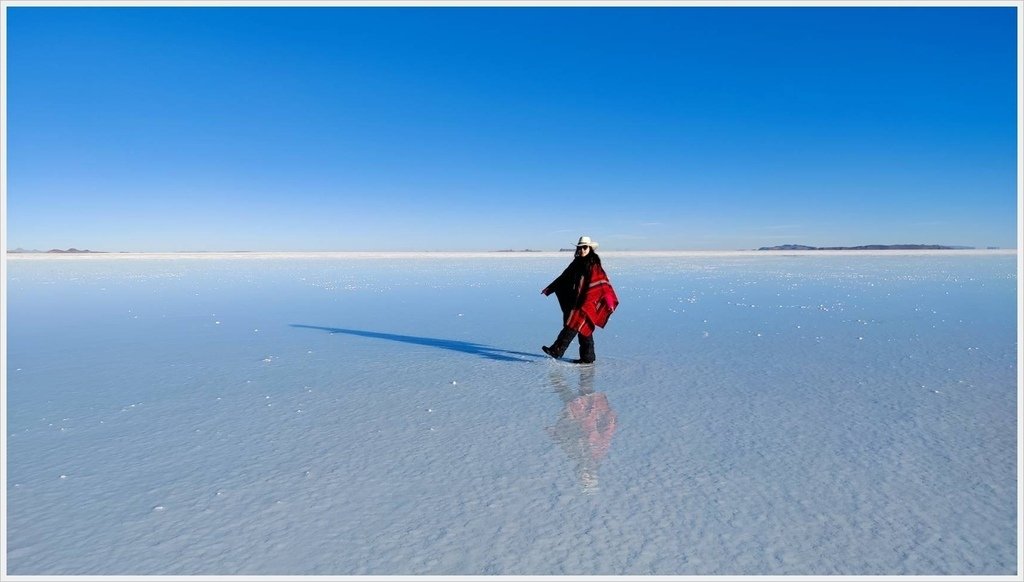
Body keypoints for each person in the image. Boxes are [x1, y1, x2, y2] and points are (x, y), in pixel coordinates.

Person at [541, 235, 619, 364]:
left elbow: (602, 284)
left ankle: (557, 350)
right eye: (580, 248)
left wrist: (609, 301)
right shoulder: (576, 263)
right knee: (584, 327)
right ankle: (588, 357)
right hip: (576, 300)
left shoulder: (594, 265)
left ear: (590, 248)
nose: (582, 250)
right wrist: (550, 288)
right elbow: (564, 278)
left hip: (588, 301)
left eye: (585, 247)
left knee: (572, 324)